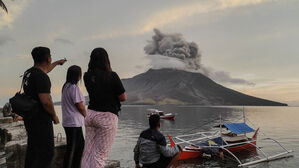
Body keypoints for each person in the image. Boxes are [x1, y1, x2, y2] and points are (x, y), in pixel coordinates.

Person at [81, 48, 126, 168]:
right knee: (100, 156)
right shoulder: (112, 76)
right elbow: (123, 97)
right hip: (106, 117)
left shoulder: (87, 76)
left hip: (90, 114)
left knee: (88, 153)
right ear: (106, 60)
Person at [23, 46, 66, 168]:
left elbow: (45, 70)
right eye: (51, 57)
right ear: (48, 59)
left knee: (33, 151)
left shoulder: (29, 73)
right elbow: (46, 101)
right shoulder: (42, 77)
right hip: (41, 120)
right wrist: (54, 116)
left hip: (30, 118)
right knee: (46, 153)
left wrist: (57, 63)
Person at [61, 65, 86, 168]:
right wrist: (87, 116)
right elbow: (79, 106)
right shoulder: (74, 88)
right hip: (74, 123)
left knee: (74, 148)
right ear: (78, 76)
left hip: (68, 121)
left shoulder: (65, 86)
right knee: (76, 149)